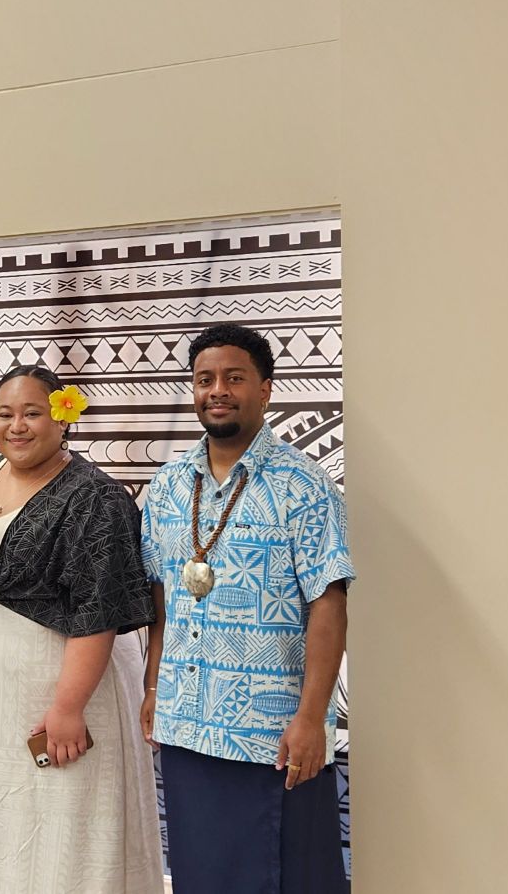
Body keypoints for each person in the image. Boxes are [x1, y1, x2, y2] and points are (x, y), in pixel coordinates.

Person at [140, 323, 354, 894]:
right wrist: (154, 688)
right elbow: (162, 600)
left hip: (274, 733)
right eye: (204, 379)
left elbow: (329, 606)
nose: (218, 390)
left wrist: (312, 718)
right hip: (187, 726)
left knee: (286, 877)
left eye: (234, 378)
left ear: (265, 389)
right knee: (200, 876)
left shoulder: (304, 486)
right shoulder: (166, 486)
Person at [0, 365, 163, 894]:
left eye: (32, 413)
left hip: (56, 691)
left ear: (62, 418)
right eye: (4, 414)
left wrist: (67, 708)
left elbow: (99, 611)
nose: (16, 426)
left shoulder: (94, 499)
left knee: (62, 829)